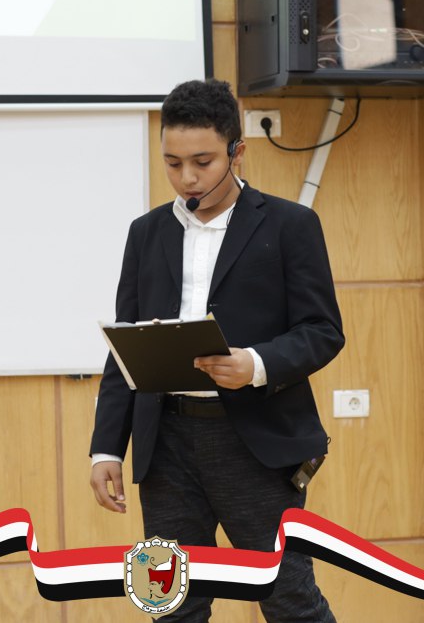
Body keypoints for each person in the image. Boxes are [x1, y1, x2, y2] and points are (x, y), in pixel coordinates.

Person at [89, 79, 343, 622]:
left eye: (202, 162)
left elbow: (322, 331)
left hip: (254, 443)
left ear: (237, 152)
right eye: (172, 163)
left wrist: (256, 364)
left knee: (290, 600)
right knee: (170, 604)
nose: (187, 178)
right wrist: (106, 449)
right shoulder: (145, 233)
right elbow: (125, 346)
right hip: (166, 444)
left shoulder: (291, 225)